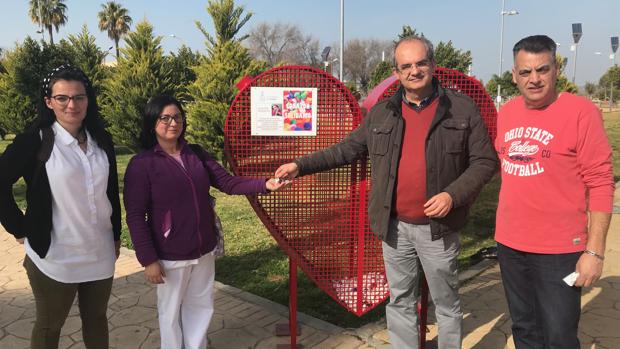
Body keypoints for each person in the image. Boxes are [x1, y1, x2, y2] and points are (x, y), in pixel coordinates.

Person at [275, 36, 498, 349]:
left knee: (446, 304)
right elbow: (347, 150)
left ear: (432, 66)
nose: (414, 71)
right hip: (396, 229)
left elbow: (485, 161)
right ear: (396, 72)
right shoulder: (383, 113)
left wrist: (452, 195)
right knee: (401, 302)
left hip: (440, 230)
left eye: (420, 63)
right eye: (406, 66)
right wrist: (300, 165)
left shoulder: (461, 109)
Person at [123, 95, 289, 349]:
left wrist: (265, 184)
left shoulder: (196, 154)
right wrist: (148, 260)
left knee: (200, 306)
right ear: (152, 123)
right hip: (170, 254)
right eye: (164, 118)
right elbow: (135, 215)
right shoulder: (142, 164)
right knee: (170, 313)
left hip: (203, 248)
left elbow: (228, 183)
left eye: (177, 116)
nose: (172, 123)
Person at [495, 35, 614, 349]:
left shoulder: (581, 112)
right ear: (514, 75)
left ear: (556, 69)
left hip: (560, 251)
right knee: (524, 329)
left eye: (542, 69)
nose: (534, 79)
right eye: (525, 72)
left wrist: (594, 250)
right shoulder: (506, 113)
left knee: (559, 334)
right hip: (510, 244)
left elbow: (601, 182)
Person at [0, 64, 121, 349]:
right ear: (49, 102)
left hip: (99, 250)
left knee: (96, 320)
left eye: (79, 97)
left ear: (88, 100)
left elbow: (111, 193)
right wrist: (19, 226)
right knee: (49, 326)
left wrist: (116, 234)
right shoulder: (35, 140)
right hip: (56, 255)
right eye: (62, 98)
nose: (71, 105)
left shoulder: (101, 140)